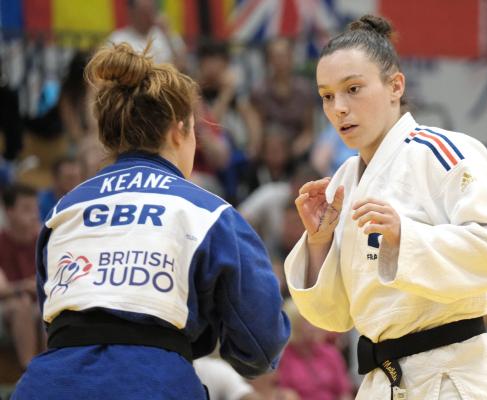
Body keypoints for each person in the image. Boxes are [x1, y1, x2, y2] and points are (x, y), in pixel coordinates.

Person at [12, 42, 289, 400]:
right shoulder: (208, 213)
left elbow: (57, 321)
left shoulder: (63, 210)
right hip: (152, 384)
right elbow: (262, 346)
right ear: (179, 130)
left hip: (47, 386)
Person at [284, 15, 487, 399]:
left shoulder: (443, 152)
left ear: (395, 85)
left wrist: (405, 238)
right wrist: (319, 243)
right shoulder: (345, 180)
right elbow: (333, 316)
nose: (339, 108)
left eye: (353, 89)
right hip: (383, 381)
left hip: (451, 375)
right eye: (327, 95)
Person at [0, 184, 42, 370]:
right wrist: (25, 286)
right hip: (8, 305)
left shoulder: (45, 239)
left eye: (35, 208)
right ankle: (29, 370)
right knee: (22, 304)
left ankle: (53, 371)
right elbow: (3, 290)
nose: (33, 214)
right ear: (9, 212)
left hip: (38, 302)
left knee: (48, 308)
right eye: (26, 209)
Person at [107, 0, 186, 70]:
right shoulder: (117, 39)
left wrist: (168, 34)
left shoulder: (165, 34)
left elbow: (183, 66)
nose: (149, 15)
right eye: (144, 11)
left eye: (151, 10)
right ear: (131, 12)